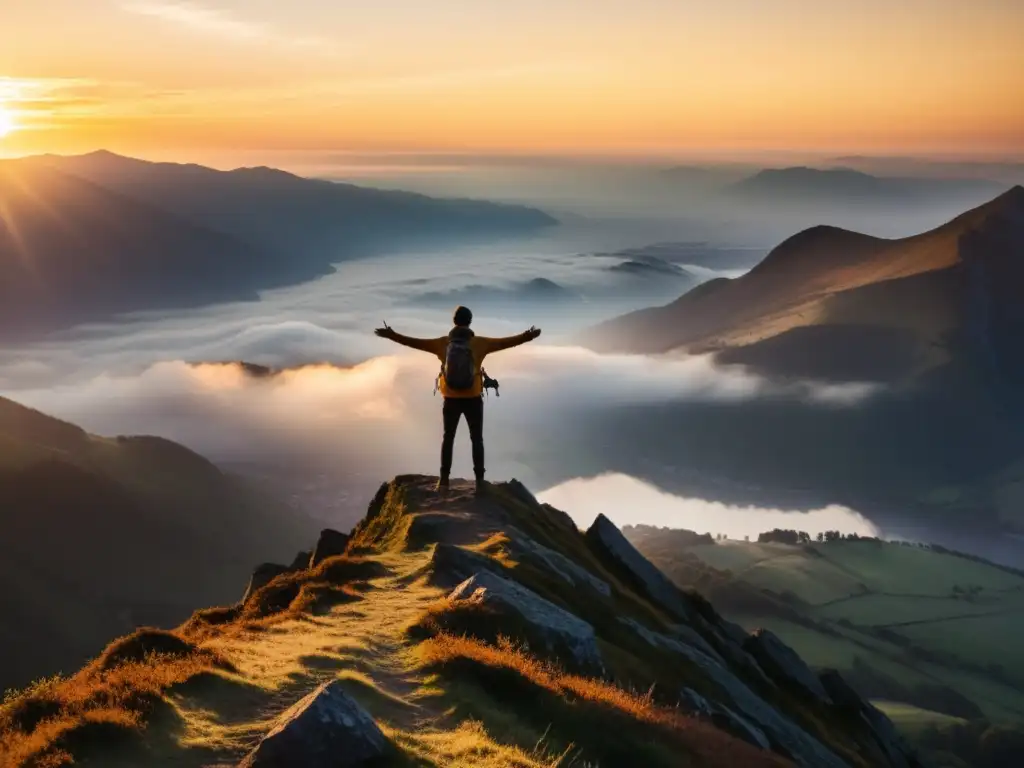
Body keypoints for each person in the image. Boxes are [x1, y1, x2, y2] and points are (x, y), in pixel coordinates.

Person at [375, 306, 541, 495]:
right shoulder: (480, 343)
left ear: (454, 321)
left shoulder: (442, 344)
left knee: (448, 438)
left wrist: (392, 335)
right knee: (476, 439)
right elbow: (506, 343)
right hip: (473, 399)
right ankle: (480, 482)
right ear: (470, 321)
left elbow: (414, 343)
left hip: (451, 399)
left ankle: (444, 481)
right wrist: (527, 336)